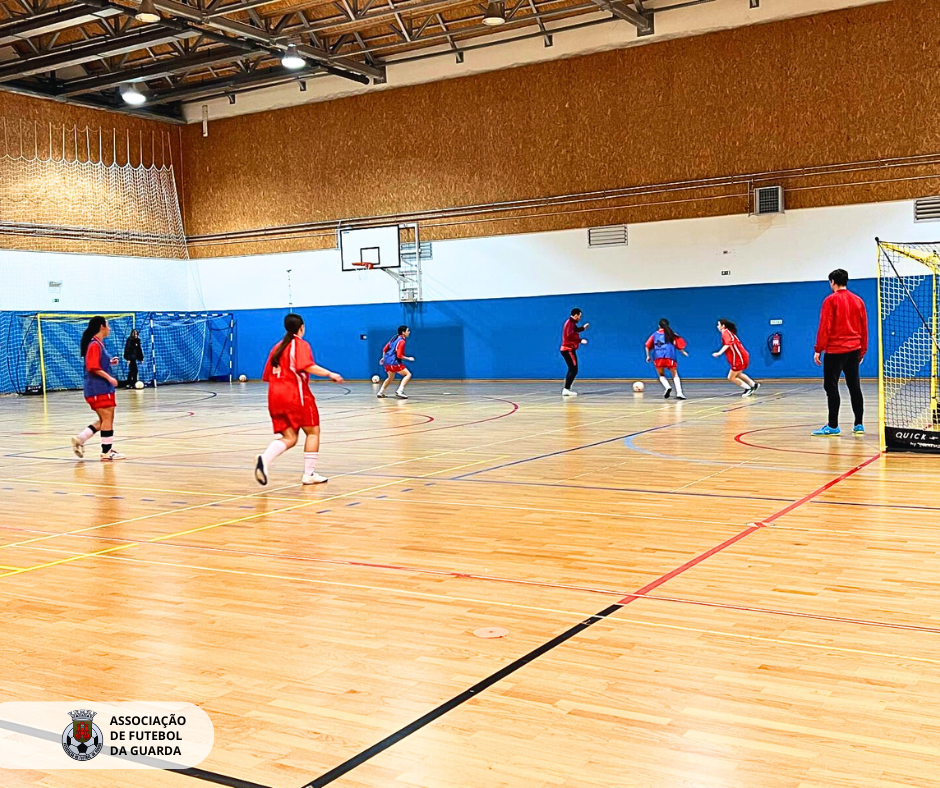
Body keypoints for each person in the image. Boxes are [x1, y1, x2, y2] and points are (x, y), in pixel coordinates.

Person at [254, 313, 344, 486]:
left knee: (290, 437)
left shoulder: (277, 347)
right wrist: (329, 373)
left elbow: (267, 376)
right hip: (296, 396)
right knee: (312, 432)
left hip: (274, 397)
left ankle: (264, 460)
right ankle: (308, 474)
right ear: (301, 327)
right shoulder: (299, 345)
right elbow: (307, 365)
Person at [812, 268, 868, 436]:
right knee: (854, 386)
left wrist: (818, 349)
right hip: (854, 350)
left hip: (835, 351)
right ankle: (859, 424)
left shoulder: (830, 301)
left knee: (831, 386)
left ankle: (833, 425)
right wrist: (862, 351)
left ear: (833, 282)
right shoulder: (858, 301)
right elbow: (864, 328)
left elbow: (825, 326)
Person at [71, 316, 124, 461]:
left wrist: (109, 362)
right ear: (102, 326)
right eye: (108, 325)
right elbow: (92, 367)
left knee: (105, 420)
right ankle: (106, 452)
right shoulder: (94, 344)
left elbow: (98, 363)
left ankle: (80, 439)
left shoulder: (99, 344)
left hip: (101, 388)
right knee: (107, 418)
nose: (110, 328)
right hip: (98, 388)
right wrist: (109, 378)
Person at [713, 319, 760, 397]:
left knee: (731, 377)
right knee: (738, 374)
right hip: (741, 356)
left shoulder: (726, 333)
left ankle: (748, 389)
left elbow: (727, 344)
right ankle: (753, 385)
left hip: (738, 358)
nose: (717, 326)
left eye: (718, 324)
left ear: (723, 326)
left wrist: (719, 353)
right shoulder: (728, 333)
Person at [645, 318, 689, 399]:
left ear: (659, 326)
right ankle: (679, 393)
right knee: (675, 374)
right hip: (669, 356)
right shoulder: (671, 334)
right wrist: (683, 352)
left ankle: (667, 387)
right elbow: (679, 344)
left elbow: (647, 345)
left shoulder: (654, 334)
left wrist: (648, 356)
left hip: (658, 357)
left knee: (661, 374)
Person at [377, 326, 414, 399]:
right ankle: (400, 391)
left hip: (387, 362)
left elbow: (384, 349)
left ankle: (380, 392)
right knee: (408, 374)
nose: (409, 332)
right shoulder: (402, 341)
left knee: (390, 377)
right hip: (394, 362)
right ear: (403, 332)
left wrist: (384, 358)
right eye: (408, 331)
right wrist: (408, 358)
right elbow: (399, 355)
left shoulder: (394, 338)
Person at [560, 308, 589, 397]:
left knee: (573, 369)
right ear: (575, 315)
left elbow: (575, 330)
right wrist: (580, 340)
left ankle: (566, 389)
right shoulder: (570, 323)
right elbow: (570, 335)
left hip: (568, 349)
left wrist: (583, 328)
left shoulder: (571, 323)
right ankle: (566, 389)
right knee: (573, 369)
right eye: (580, 316)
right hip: (568, 349)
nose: (580, 318)